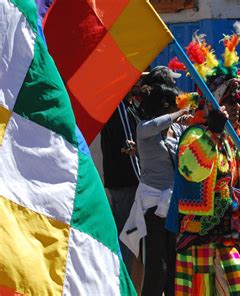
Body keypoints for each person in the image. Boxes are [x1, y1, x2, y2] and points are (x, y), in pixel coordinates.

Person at [165, 23, 240, 295]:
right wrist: (212, 133)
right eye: (228, 100)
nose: (236, 106)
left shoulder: (235, 142)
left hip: (227, 241)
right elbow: (192, 170)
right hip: (198, 242)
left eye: (239, 100)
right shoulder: (195, 134)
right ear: (213, 104)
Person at [120, 83, 189, 295]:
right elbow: (159, 123)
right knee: (157, 266)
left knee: (174, 263)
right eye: (176, 104)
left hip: (173, 205)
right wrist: (180, 113)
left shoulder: (177, 130)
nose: (180, 108)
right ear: (165, 106)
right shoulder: (144, 128)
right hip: (152, 207)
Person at [100, 78, 143, 282]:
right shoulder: (119, 108)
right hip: (126, 181)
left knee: (122, 235)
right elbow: (129, 148)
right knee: (128, 239)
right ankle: (122, 282)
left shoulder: (116, 106)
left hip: (118, 181)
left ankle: (117, 280)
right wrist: (141, 178)